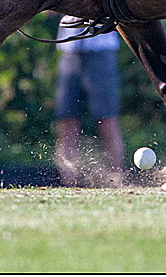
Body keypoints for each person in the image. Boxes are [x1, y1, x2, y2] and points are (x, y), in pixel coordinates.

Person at [53, 15, 124, 186]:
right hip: (69, 50)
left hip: (101, 49)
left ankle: (114, 181)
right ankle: (68, 184)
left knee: (106, 119)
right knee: (66, 120)